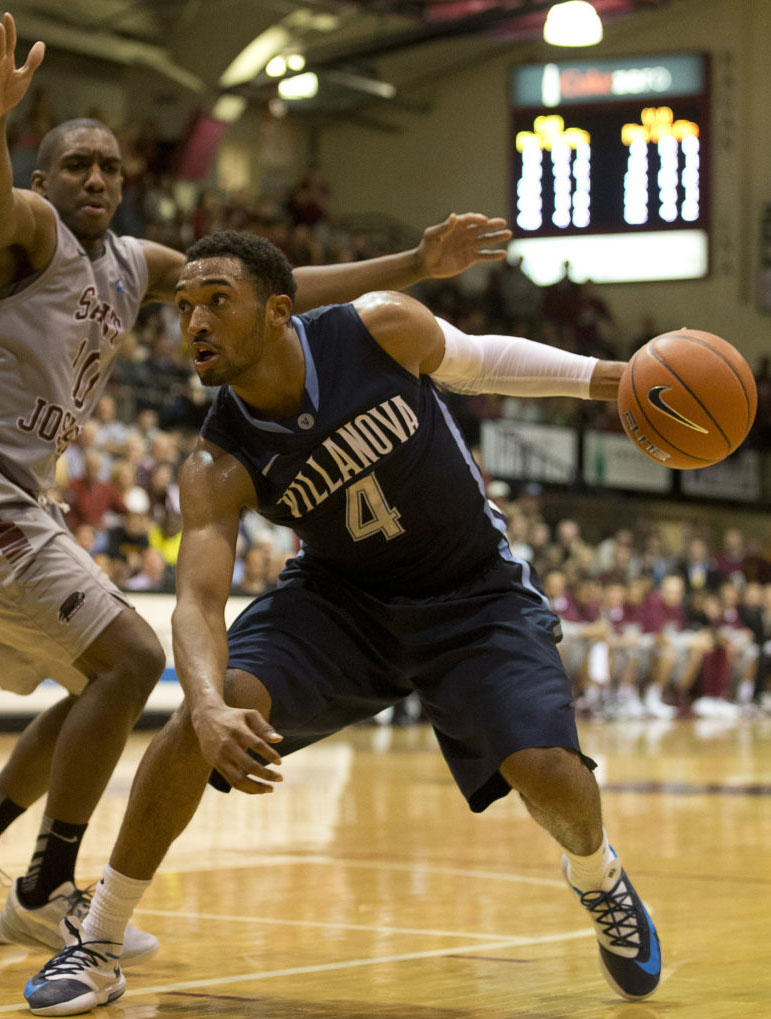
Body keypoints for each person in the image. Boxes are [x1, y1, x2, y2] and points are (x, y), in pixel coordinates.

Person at [25, 231, 661, 1015]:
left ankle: (597, 876)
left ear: (279, 309)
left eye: (217, 301)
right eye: (183, 306)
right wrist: (213, 704)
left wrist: (618, 379)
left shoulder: (376, 329)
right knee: (200, 714)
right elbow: (196, 601)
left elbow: (481, 361)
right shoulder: (216, 461)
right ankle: (100, 939)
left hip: (472, 593)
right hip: (341, 606)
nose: (192, 322)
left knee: (549, 772)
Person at [0, 10, 511, 962]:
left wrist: (413, 264)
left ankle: (37, 881)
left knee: (95, 680)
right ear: (40, 179)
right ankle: (42, 888)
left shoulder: (139, 265)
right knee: (127, 661)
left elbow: (282, 288)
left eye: (111, 166)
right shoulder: (28, 232)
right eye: (77, 165)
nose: (99, 179)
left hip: (23, 501)